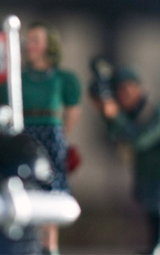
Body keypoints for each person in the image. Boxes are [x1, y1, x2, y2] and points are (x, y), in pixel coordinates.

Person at [20, 22, 82, 255]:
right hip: (25, 134)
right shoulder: (19, 77)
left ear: (49, 45)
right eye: (28, 40)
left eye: (36, 40)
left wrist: (59, 136)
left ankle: (49, 246)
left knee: (51, 190)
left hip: (51, 135)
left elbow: (73, 111)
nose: (30, 45)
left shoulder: (63, 78)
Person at [93, 67, 160, 255]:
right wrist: (108, 114)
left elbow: (139, 140)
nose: (125, 95)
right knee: (152, 216)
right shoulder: (132, 115)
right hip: (146, 179)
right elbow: (117, 136)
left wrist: (116, 116)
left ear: (139, 88)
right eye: (120, 91)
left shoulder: (154, 113)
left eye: (129, 88)